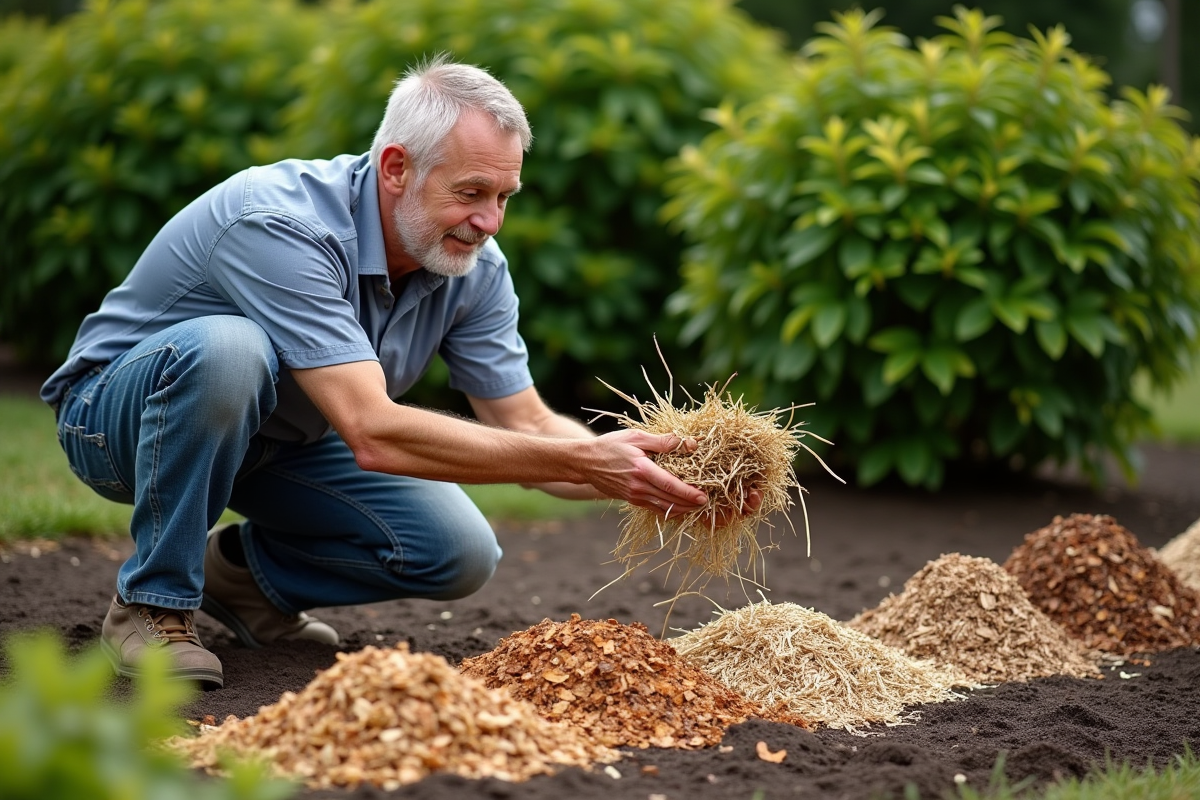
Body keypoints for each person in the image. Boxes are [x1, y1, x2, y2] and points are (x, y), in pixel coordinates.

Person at [40, 57, 733, 689]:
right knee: (230, 350)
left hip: (277, 442)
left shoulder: (473, 269)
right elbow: (373, 432)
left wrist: (648, 471)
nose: (490, 221)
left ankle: (242, 582)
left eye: (506, 196)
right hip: (117, 425)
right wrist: (585, 461)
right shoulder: (280, 223)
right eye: (471, 192)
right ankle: (153, 603)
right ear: (396, 167)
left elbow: (526, 427)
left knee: (457, 551)